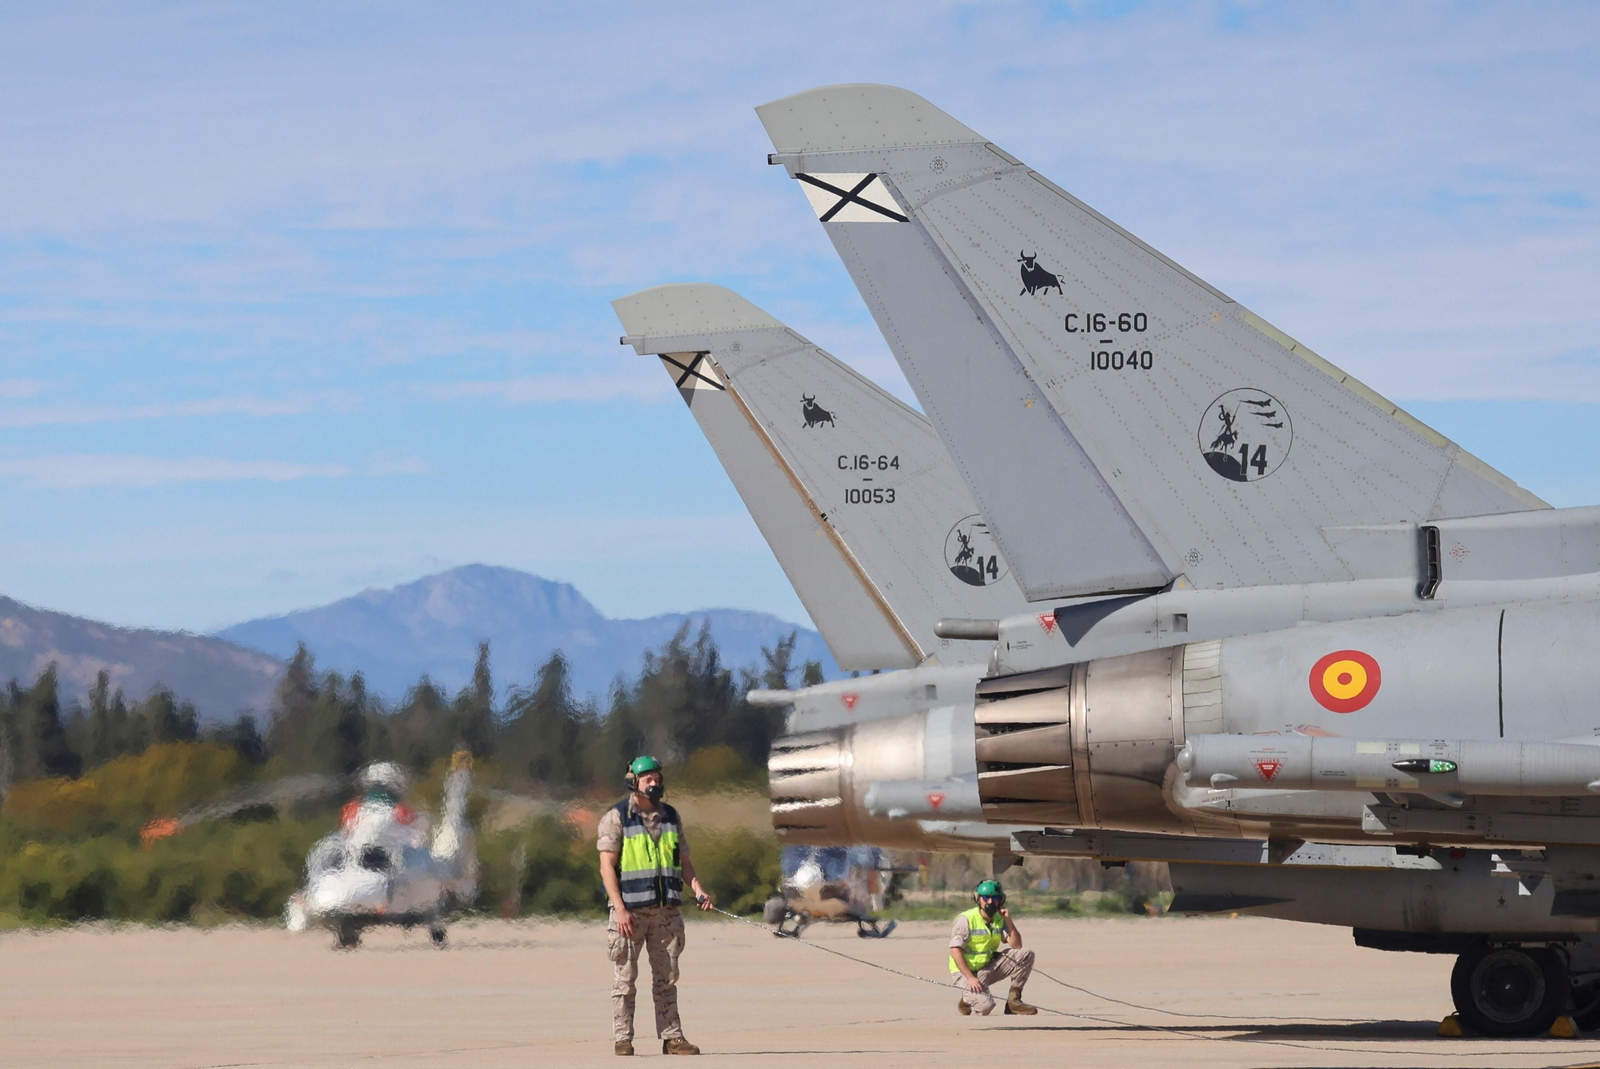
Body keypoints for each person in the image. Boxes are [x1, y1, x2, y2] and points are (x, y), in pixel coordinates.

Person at [597, 755, 714, 1056]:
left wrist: (698, 890)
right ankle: (623, 1039)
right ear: (633, 783)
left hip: (666, 913)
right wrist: (620, 908)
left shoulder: (671, 816)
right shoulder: (618, 817)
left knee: (667, 979)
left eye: (657, 778)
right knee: (625, 979)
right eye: (647, 778)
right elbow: (607, 866)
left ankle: (672, 1038)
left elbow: (683, 861)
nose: (654, 782)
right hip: (630, 914)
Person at [949, 879, 1038, 1016]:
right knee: (985, 1008)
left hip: (986, 968)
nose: (990, 902)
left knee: (1025, 954)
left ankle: (1013, 1001)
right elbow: (955, 950)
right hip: (965, 972)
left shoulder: (999, 919)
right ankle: (968, 999)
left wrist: (1008, 920)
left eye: (995, 898)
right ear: (979, 900)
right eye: (986, 898)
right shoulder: (966, 919)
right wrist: (970, 978)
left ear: (1000, 901)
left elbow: (1016, 945)